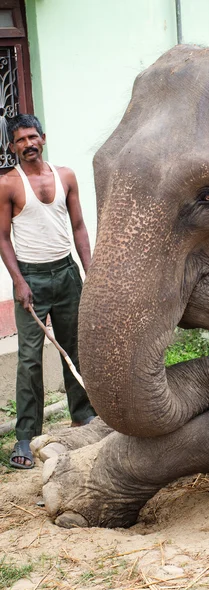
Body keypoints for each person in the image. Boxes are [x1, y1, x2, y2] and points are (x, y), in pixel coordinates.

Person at [0, 114, 96, 469]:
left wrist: (91, 273)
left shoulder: (65, 175)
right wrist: (20, 283)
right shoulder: (9, 184)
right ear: (12, 146)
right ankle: (26, 437)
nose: (28, 144)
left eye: (31, 137)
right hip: (31, 279)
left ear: (43, 137)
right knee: (29, 360)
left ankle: (83, 416)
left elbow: (80, 227)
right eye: (20, 140)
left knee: (75, 346)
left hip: (67, 273)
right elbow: (3, 238)